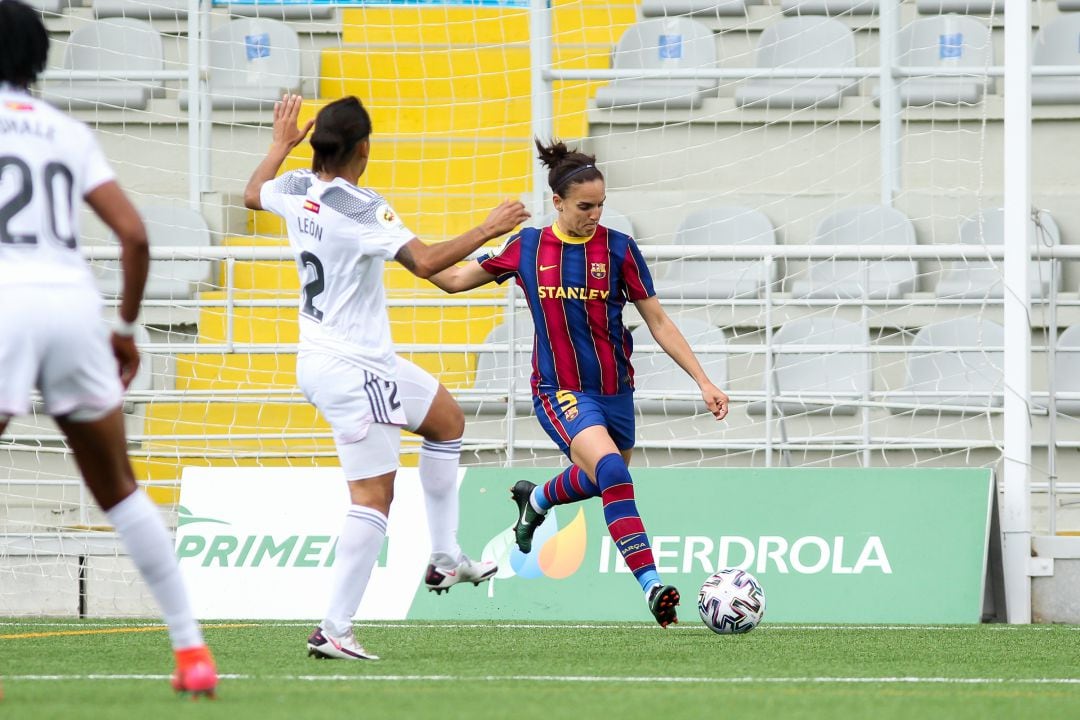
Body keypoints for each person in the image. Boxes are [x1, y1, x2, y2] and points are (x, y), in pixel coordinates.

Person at [243, 94, 529, 659]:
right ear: (364, 148)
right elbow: (425, 263)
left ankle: (446, 559)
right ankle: (335, 628)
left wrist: (278, 147)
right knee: (373, 496)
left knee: (447, 420)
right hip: (356, 369)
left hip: (331, 357)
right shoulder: (362, 207)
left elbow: (253, 194)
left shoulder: (297, 186)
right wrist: (488, 228)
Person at [0, 0, 216, 697]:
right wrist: (122, 329)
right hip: (71, 305)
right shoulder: (66, 130)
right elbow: (136, 236)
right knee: (117, 486)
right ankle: (191, 652)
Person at [427, 139, 729, 627]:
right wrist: (407, 255)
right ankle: (652, 587)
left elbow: (658, 320)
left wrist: (704, 381)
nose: (594, 214)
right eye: (585, 206)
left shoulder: (619, 249)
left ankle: (538, 498)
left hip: (616, 393)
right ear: (558, 203)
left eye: (601, 205)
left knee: (599, 480)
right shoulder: (527, 247)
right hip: (558, 391)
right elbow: (454, 280)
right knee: (612, 472)